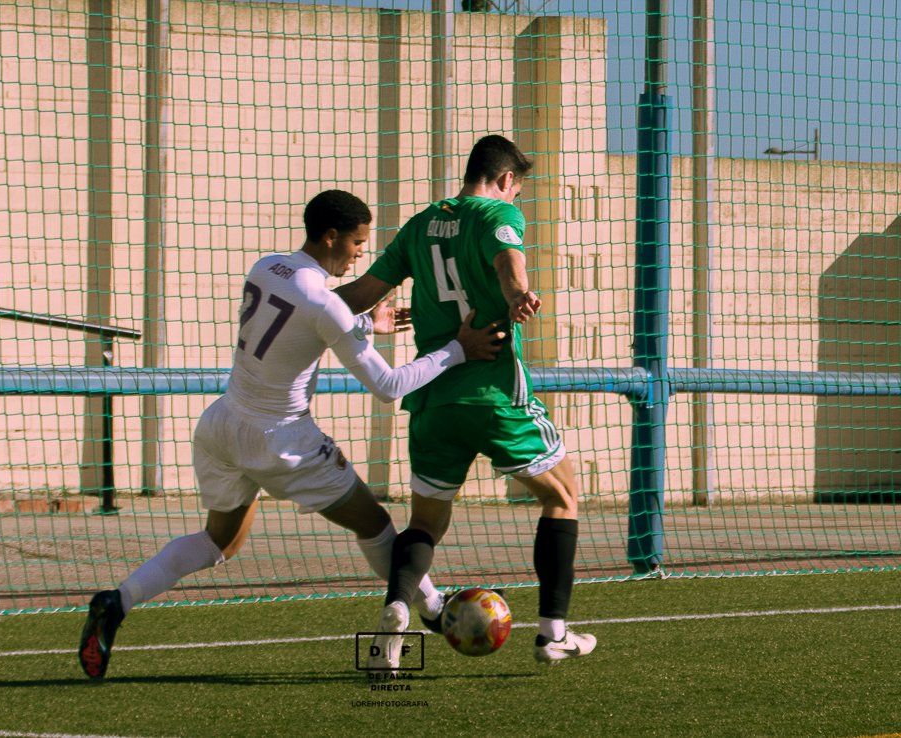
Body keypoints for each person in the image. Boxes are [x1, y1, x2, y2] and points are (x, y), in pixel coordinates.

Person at [77, 189, 504, 680]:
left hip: (222, 423)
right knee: (375, 524)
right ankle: (431, 608)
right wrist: (457, 348)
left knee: (219, 542)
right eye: (358, 243)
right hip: (282, 440)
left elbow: (300, 323)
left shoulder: (268, 266)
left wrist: (364, 321)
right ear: (332, 237)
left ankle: (117, 600)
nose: (362, 253)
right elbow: (388, 386)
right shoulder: (326, 303)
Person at [335, 135, 596, 667]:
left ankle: (396, 618)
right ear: (505, 181)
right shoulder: (496, 213)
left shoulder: (421, 223)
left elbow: (361, 293)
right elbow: (508, 262)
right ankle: (553, 634)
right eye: (517, 190)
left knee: (426, 522)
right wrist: (519, 292)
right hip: (492, 392)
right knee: (564, 495)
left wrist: (301, 302)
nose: (515, 200)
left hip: (431, 398)